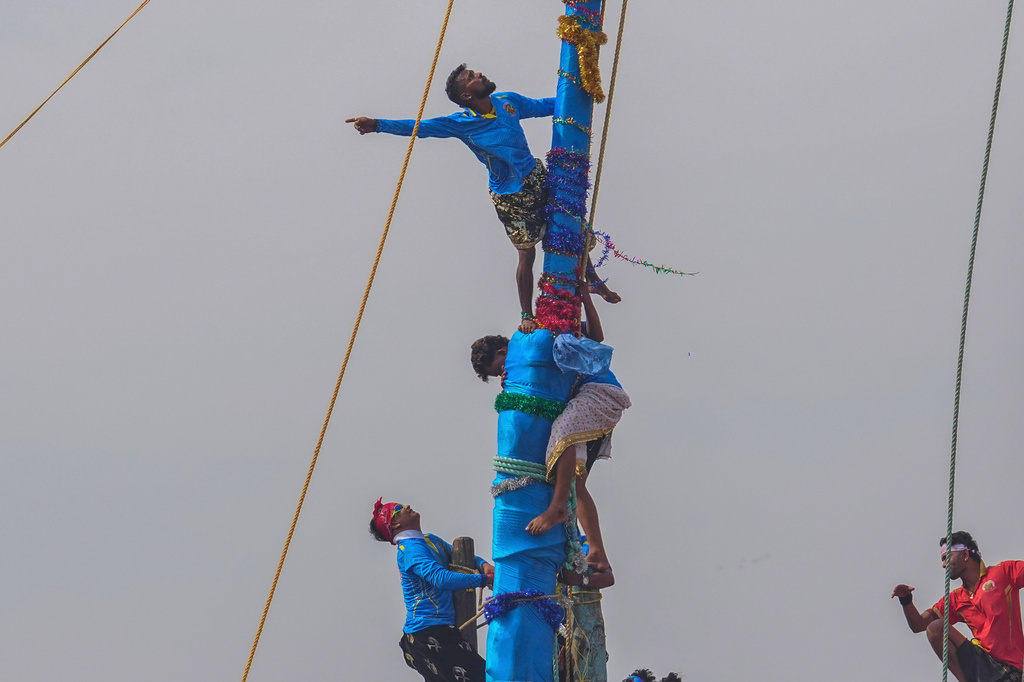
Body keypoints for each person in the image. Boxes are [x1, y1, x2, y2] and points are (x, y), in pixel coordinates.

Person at [347, 64, 619, 333]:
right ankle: (527, 314)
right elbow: (420, 127)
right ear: (466, 96)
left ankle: (594, 282)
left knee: (568, 226)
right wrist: (377, 125)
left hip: (534, 177)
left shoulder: (507, 102)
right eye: (471, 77)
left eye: (476, 72)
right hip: (509, 196)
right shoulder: (462, 123)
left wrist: (581, 96)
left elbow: (543, 106)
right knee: (527, 254)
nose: (480, 74)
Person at [470, 283, 629, 573]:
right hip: (583, 400)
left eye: (501, 366)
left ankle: (557, 508)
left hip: (600, 392)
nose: (504, 373)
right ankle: (597, 555)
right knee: (574, 483)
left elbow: (596, 336)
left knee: (563, 433)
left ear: (507, 350)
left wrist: (585, 298)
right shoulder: (527, 360)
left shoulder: (541, 339)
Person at [369, 499, 494, 682]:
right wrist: (484, 580)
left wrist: (482, 564)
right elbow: (441, 578)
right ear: (395, 524)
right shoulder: (410, 549)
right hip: (428, 634)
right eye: (399, 509)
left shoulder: (429, 540)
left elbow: (456, 554)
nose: (407, 506)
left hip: (436, 632)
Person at [892, 531, 1024, 682]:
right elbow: (919, 625)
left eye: (946, 558)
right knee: (935, 628)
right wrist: (906, 600)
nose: (943, 565)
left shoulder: (1003, 572)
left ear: (965, 555)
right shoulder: (956, 599)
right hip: (982, 665)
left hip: (1011, 668)